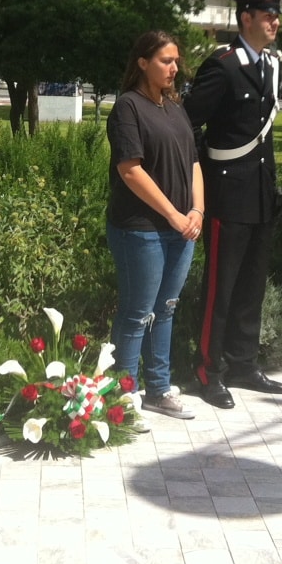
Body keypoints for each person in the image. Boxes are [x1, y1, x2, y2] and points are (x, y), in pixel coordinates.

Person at [185, 0, 282, 409]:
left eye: (276, 14)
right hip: (228, 192)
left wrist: (272, 185)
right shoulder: (223, 66)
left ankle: (244, 362)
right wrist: (201, 177)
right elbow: (187, 122)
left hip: (260, 193)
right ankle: (209, 370)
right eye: (268, 14)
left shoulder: (269, 64)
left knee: (252, 285)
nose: (275, 21)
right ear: (246, 17)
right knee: (221, 289)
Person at [106, 31, 203, 422]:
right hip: (141, 228)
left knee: (165, 309)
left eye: (176, 60)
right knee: (136, 312)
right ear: (143, 62)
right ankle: (123, 397)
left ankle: (159, 390)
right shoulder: (128, 108)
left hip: (180, 229)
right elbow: (130, 170)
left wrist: (197, 210)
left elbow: (195, 162)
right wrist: (173, 215)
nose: (174, 68)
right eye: (166, 60)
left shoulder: (175, 107)